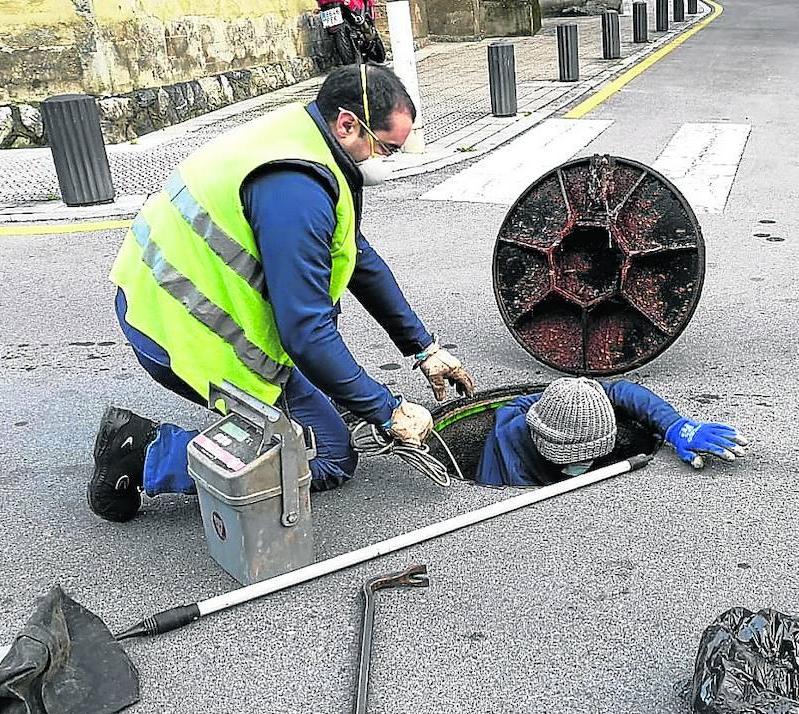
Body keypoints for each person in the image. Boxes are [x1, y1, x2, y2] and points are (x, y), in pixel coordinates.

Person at [88, 64, 473, 522]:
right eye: (385, 148)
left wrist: (422, 348)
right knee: (331, 455)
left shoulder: (305, 135)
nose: (385, 161)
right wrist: (388, 412)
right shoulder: (296, 190)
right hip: (183, 332)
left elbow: (354, 256)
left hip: (154, 300)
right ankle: (144, 453)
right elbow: (305, 333)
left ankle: (282, 421)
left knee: (330, 395)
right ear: (348, 123)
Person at [476, 378, 749, 487]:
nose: (587, 462)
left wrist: (674, 425)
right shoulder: (508, 468)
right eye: (580, 457)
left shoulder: (536, 408)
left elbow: (619, 391)